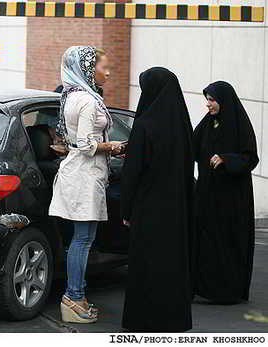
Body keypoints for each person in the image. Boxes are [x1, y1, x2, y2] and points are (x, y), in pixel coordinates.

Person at [49, 46, 124, 323]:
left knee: (79, 240)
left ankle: (75, 296)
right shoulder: (89, 101)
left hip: (78, 173)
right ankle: (73, 298)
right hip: (84, 176)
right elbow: (86, 144)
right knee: (82, 240)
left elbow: (70, 142)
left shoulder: (72, 95)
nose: (108, 71)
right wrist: (114, 146)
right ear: (88, 70)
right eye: (103, 66)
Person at [121, 67, 194, 332]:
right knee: (172, 264)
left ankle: (145, 321)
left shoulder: (144, 126)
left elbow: (132, 173)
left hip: (149, 208)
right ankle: (174, 320)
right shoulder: (183, 125)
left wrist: (126, 209)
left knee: (147, 265)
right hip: (177, 207)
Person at [192, 81, 258, 304]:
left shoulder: (239, 124)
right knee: (207, 242)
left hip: (232, 199)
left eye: (212, 100)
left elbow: (251, 157)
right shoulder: (208, 124)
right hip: (208, 196)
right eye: (207, 100)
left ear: (224, 101)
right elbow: (191, 146)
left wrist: (226, 159)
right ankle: (206, 288)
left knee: (229, 243)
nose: (208, 105)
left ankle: (229, 290)